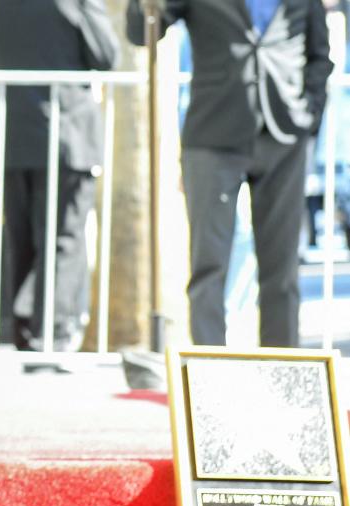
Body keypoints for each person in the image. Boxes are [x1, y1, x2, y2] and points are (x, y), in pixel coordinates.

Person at [127, 0, 333, 347]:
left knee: (282, 271)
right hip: (214, 134)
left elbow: (319, 55)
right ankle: (210, 374)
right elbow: (142, 30)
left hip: (284, 136)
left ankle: (282, 375)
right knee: (209, 265)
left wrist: (308, 116)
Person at [0, 0, 120, 352]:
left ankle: (23, 331)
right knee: (63, 238)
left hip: (14, 134)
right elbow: (106, 56)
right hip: (66, 134)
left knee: (22, 238)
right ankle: (52, 333)